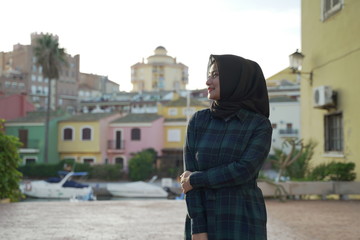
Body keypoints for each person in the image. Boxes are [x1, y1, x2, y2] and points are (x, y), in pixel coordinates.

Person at [180, 54, 272, 240]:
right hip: (202, 219)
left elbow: (243, 170)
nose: (208, 81)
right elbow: (187, 179)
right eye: (209, 75)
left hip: (242, 220)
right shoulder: (199, 120)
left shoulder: (258, 125)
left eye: (215, 75)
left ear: (235, 80)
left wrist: (196, 179)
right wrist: (197, 228)